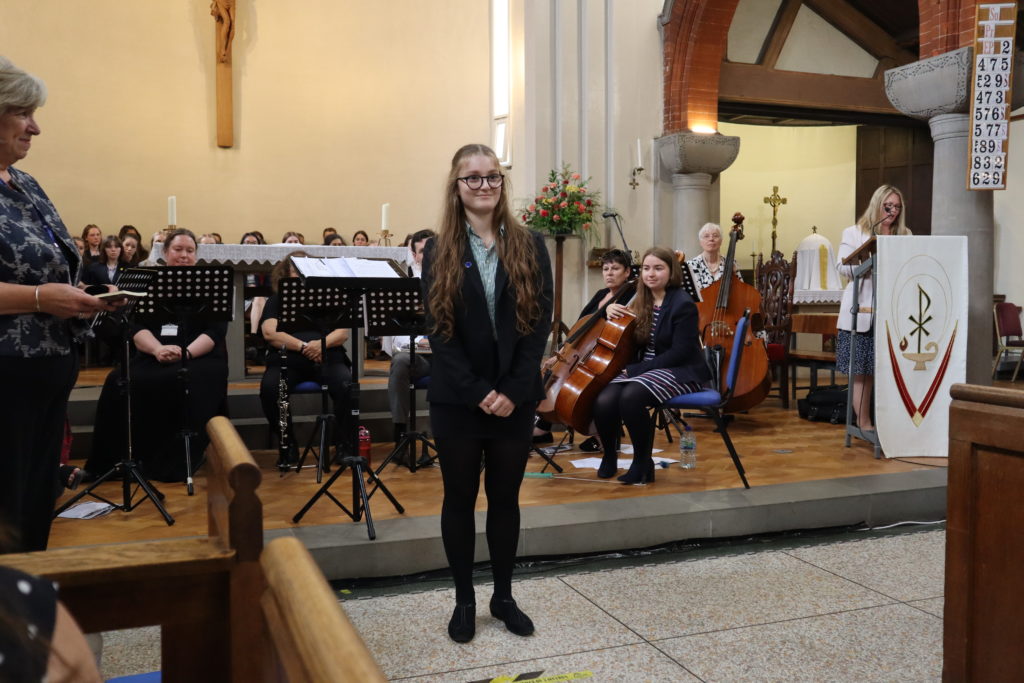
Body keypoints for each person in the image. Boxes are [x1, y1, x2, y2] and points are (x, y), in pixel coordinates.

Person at [422, 143, 553, 643]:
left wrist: (513, 390)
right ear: (456, 187)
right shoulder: (439, 249)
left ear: (502, 182)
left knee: (505, 500)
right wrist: (478, 390)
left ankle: (503, 596)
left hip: (514, 398)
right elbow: (439, 331)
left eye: (492, 176)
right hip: (458, 399)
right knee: (459, 499)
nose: (484, 185)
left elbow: (539, 322)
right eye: (472, 177)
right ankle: (464, 600)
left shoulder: (529, 244)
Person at [0, 55, 114, 551]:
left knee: (31, 506)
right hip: (7, 374)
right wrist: (41, 298)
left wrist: (81, 297)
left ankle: (27, 590)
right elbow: (36, 289)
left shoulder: (24, 183)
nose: (35, 127)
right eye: (23, 113)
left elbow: (50, 265)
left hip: (48, 369)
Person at [85, 229, 229, 482]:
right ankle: (116, 461)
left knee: (179, 378)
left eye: (190, 250)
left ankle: (173, 463)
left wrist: (185, 352)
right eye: (178, 249)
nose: (184, 255)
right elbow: (135, 326)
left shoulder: (211, 284)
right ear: (164, 252)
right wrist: (157, 349)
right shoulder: (149, 282)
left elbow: (215, 332)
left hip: (199, 356)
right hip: (153, 352)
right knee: (117, 380)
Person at [593, 246, 710, 484]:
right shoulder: (641, 299)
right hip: (647, 368)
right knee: (604, 398)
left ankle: (642, 463)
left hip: (680, 370)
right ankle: (609, 456)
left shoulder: (682, 303)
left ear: (671, 271)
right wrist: (608, 309)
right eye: (646, 268)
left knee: (631, 397)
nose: (651, 274)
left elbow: (681, 352)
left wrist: (637, 369)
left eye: (658, 268)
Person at [534, 248, 635, 447]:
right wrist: (562, 352)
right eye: (606, 269)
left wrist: (609, 310)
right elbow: (580, 327)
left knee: (582, 384)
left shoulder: (632, 296)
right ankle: (543, 427)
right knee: (550, 376)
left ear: (627, 272)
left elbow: (622, 330)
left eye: (615, 268)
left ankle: (604, 431)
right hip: (584, 354)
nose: (609, 273)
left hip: (610, 357)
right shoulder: (601, 294)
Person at [259, 252, 353, 463]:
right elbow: (270, 333)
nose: (301, 274)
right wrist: (304, 347)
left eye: (306, 269)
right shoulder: (276, 300)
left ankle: (343, 444)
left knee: (346, 386)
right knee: (271, 390)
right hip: (287, 361)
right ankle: (287, 444)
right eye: (296, 270)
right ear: (286, 274)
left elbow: (342, 333)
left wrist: (321, 345)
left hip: (327, 357)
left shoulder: (330, 298)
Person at [836, 184, 911, 432]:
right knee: (863, 372)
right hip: (862, 312)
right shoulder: (854, 233)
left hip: (892, 313)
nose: (892, 211)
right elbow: (843, 267)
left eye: (897, 207)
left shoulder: (905, 236)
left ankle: (890, 423)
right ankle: (864, 422)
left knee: (890, 370)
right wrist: (868, 258)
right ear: (877, 205)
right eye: (888, 206)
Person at [383, 229, 435, 448]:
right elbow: (396, 338)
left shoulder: (454, 282)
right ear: (414, 255)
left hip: (447, 355)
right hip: (420, 356)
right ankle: (400, 431)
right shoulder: (406, 286)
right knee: (401, 361)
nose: (429, 255)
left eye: (433, 249)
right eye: (423, 251)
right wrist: (419, 341)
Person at [686, 222, 742, 290]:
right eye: (706, 236)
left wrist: (735, 275)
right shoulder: (690, 265)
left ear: (721, 241)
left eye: (715, 236)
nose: (711, 239)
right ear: (700, 242)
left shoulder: (730, 262)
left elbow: (740, 289)